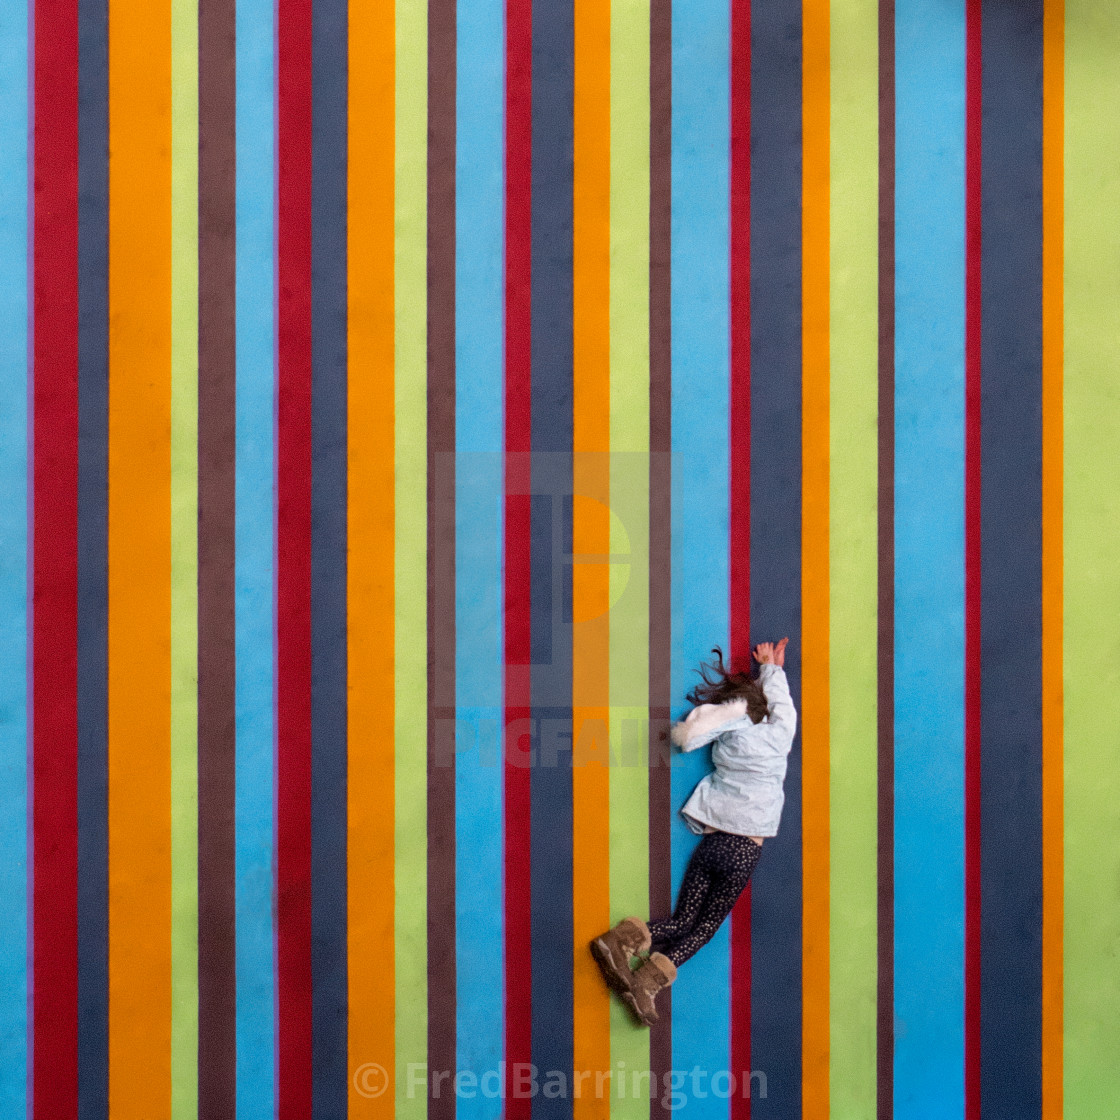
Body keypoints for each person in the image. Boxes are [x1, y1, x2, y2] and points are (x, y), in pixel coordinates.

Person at [589, 637, 796, 1026]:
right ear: (764, 711)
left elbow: (696, 734)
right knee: (701, 929)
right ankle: (644, 981)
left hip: (713, 844)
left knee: (683, 920)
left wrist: (719, 716)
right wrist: (772, 668)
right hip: (741, 854)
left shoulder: (730, 738)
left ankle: (622, 944)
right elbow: (784, 710)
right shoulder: (778, 736)